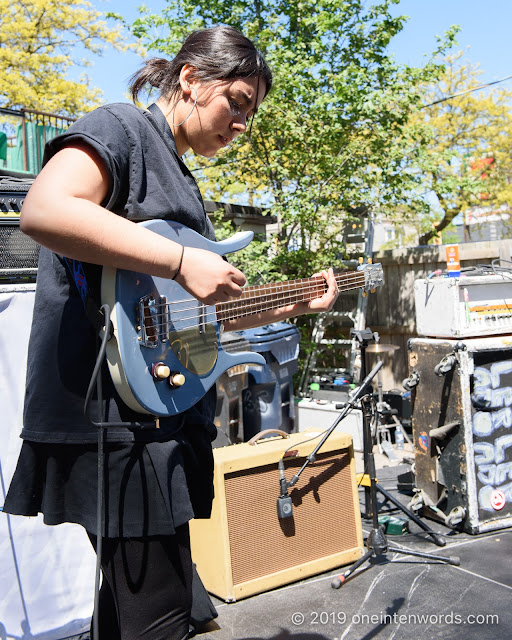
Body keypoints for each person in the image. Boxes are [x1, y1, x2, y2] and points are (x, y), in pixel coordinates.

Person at [2, 25, 339, 640]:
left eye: (251, 113)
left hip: (155, 418)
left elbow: (172, 320)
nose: (242, 123)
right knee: (159, 618)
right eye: (236, 102)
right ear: (189, 78)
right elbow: (45, 209)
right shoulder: (120, 128)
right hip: (116, 425)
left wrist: (282, 307)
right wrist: (183, 261)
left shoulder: (180, 174)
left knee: (132, 610)